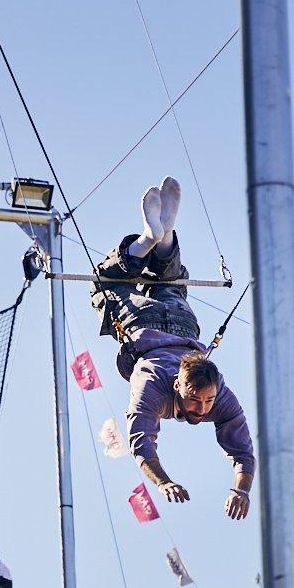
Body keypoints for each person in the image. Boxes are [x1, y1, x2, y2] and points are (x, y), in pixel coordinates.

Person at [91, 176, 255, 520]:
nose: (202, 408)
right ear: (177, 384)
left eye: (207, 401)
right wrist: (163, 482)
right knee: (104, 282)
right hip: (144, 321)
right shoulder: (151, 386)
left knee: (172, 284)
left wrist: (241, 489)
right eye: (195, 399)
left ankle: (160, 240)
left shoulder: (218, 394)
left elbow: (243, 452)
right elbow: (141, 443)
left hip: (184, 324)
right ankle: (154, 239)